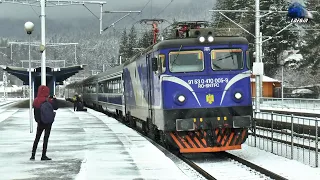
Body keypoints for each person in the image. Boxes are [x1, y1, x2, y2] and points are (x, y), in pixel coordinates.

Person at [30, 85, 58, 161]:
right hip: (48, 122)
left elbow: (35, 110)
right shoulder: (49, 100)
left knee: (37, 138)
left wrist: (38, 120)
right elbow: (56, 107)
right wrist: (54, 99)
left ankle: (33, 155)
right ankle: (43, 155)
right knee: (46, 138)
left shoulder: (36, 100)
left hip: (40, 122)